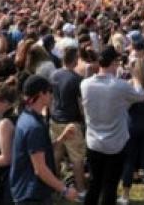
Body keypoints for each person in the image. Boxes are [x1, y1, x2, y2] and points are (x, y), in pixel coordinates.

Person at [80, 45, 144, 205]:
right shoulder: (120, 86)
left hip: (94, 143)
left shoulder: (85, 84)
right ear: (114, 63)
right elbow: (140, 95)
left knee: (95, 183)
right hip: (115, 145)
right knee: (110, 185)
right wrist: (136, 76)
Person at [10, 74, 79, 205]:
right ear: (41, 94)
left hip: (26, 190)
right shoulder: (34, 126)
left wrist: (61, 139)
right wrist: (64, 190)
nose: (52, 95)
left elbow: (38, 150)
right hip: (31, 195)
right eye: (49, 92)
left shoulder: (27, 115)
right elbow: (40, 169)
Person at [120, 57, 144, 204]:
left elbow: (125, 106)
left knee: (129, 160)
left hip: (132, 125)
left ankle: (125, 195)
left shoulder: (130, 84)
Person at [49, 46, 86, 195]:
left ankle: (55, 185)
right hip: (71, 122)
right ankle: (81, 190)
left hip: (55, 119)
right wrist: (84, 120)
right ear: (75, 59)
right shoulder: (77, 79)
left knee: (56, 153)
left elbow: (51, 98)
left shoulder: (54, 75)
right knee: (77, 157)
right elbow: (80, 103)